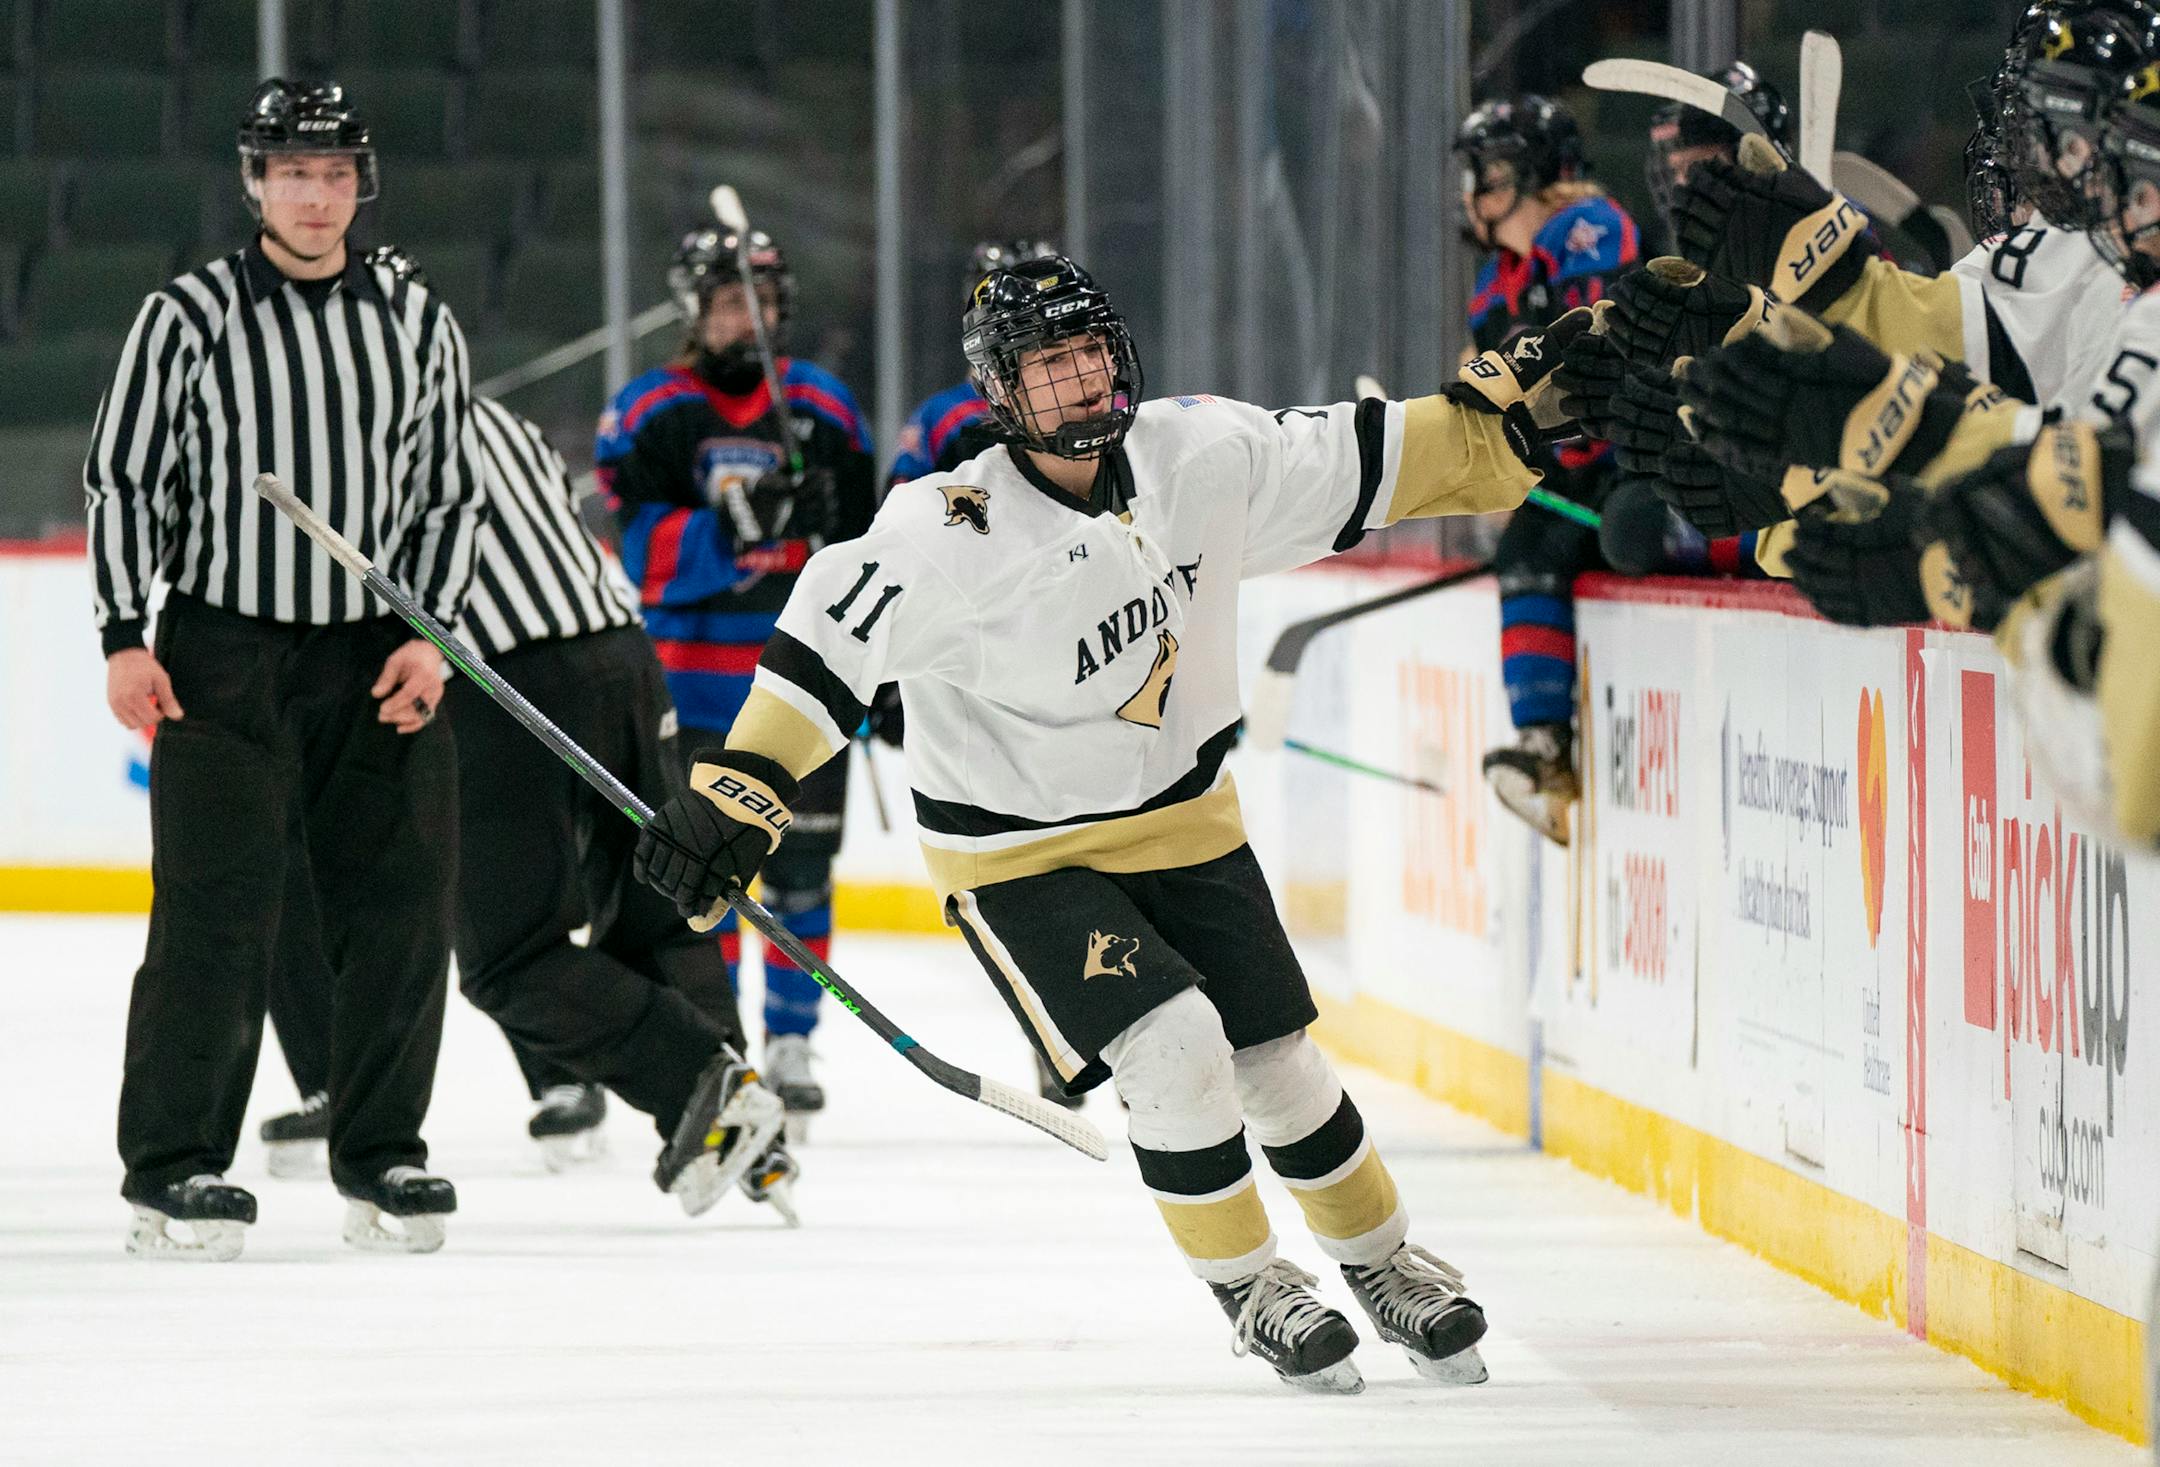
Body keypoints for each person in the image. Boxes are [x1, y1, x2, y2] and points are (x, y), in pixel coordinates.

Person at [630, 252, 1604, 1389]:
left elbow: (1368, 458)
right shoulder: (949, 526)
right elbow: (825, 646)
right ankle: (1251, 1286)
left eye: (1093, 351)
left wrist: (1508, 428)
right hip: (1019, 855)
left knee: (1280, 1063)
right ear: (1001, 393)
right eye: (1051, 365)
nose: (1084, 380)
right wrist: (741, 786)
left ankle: (1386, 1265)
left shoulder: (1200, 452)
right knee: (1176, 1044)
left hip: (1188, 818)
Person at [84, 80, 481, 1259]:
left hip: (376, 650)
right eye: (292, 173)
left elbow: (449, 491)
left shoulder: (417, 320)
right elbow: (126, 478)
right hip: (223, 649)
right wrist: (121, 633)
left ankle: (383, 1153)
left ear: (364, 184)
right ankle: (174, 1167)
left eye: (336, 172)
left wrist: (432, 634)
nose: (316, 195)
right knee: (217, 912)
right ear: (256, 181)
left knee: (404, 905)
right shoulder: (188, 315)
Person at [254, 367, 796, 1219]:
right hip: (624, 658)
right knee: (659, 906)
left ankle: (705, 1085)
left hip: (507, 681)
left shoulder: (353, 434)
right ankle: (740, 1124)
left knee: (509, 956)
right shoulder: (495, 417)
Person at [597, 226, 876, 1133]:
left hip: (803, 684)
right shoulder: (651, 410)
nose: (746, 318)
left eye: (759, 301)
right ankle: (712, 1039)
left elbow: (870, 546)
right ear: (693, 310)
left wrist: (834, 529)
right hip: (695, 688)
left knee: (801, 872)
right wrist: (734, 526)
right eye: (727, 303)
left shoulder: (824, 406)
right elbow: (640, 554)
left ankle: (793, 1039)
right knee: (702, 875)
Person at [1453, 94, 1641, 844]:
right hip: (1573, 473)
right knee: (1527, 544)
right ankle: (1544, 750)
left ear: (1532, 174)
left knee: (1535, 546)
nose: (1473, 193)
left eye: (1487, 173)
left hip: (1636, 457)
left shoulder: (1586, 229)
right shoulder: (1496, 279)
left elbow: (1593, 361)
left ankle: (1545, 749)